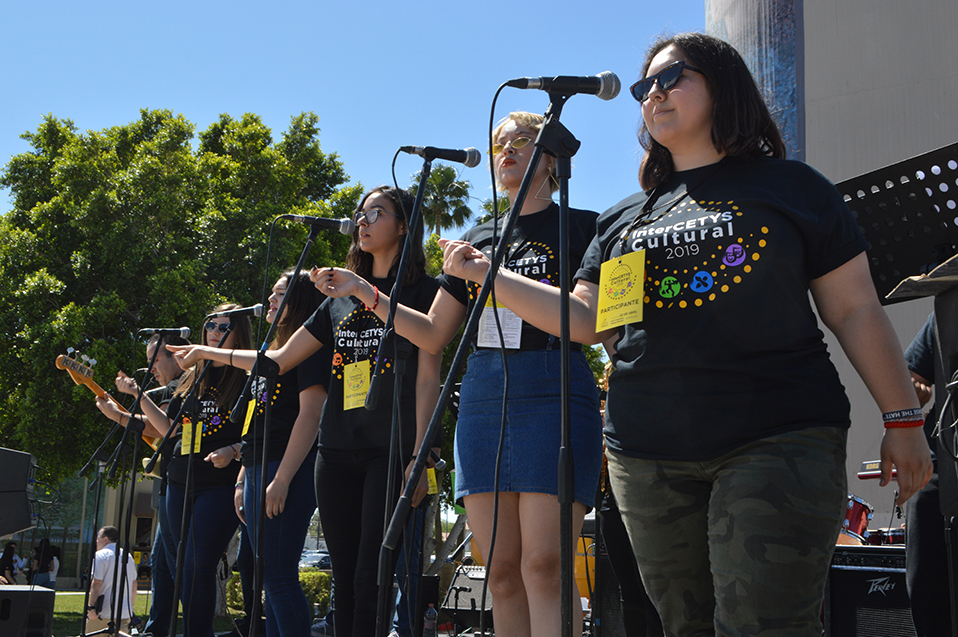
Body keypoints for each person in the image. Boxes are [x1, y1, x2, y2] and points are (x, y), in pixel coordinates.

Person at [427, 33, 934, 636]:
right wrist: (486, 274)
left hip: (776, 436)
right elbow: (587, 321)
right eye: (646, 87)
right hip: (647, 456)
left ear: (724, 86)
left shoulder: (792, 188)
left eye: (673, 77)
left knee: (760, 624)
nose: (654, 94)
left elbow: (854, 310)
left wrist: (902, 420)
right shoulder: (625, 217)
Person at [315, 112, 604, 637]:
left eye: (521, 140)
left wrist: (485, 273)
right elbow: (430, 334)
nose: (506, 150)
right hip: (482, 390)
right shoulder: (479, 236)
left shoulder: (583, 226)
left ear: (553, 153)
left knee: (543, 563)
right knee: (499, 568)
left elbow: (585, 322)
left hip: (552, 382)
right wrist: (364, 292)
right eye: (499, 142)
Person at [170, 186, 441, 637]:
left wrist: (418, 454)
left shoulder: (422, 291)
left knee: (372, 575)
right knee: (344, 578)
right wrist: (206, 352)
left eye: (376, 213)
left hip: (388, 449)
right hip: (334, 453)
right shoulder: (337, 301)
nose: (363, 221)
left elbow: (428, 375)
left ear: (404, 225)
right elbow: (277, 361)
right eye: (360, 213)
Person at [98, 303, 251, 637]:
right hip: (179, 482)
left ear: (240, 333)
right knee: (180, 566)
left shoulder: (246, 377)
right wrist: (136, 397)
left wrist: (234, 450)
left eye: (224, 327)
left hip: (218, 484)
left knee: (197, 565)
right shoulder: (193, 378)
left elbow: (257, 433)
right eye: (211, 325)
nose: (214, 332)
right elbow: (167, 427)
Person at [231, 268, 328, 637]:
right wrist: (242, 480)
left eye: (279, 293)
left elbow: (311, 414)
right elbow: (256, 421)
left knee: (279, 573)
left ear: (299, 300)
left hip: (286, 468)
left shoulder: (310, 349)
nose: (270, 300)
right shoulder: (272, 352)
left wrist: (282, 479)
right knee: (267, 573)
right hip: (258, 465)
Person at [903, 312, 954, 637]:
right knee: (929, 589)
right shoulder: (949, 308)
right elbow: (908, 375)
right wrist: (912, 388)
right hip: (944, 462)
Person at [141, 333, 190, 637]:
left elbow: (162, 428)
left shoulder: (182, 386)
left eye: (155, 360)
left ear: (174, 354)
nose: (151, 369)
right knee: (161, 563)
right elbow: (155, 430)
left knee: (175, 563)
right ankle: (156, 629)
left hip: (186, 483)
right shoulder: (170, 388)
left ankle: (191, 626)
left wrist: (121, 413)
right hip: (170, 481)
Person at [87, 525, 137, 634]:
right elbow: (134, 584)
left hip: (103, 613)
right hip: (124, 613)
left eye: (98, 538)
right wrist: (129, 606)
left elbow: (97, 583)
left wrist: (92, 608)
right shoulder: (128, 556)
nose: (96, 541)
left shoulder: (100, 556)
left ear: (105, 539)